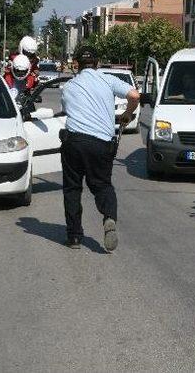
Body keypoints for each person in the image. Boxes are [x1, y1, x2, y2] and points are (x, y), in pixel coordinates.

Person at [60, 46, 140, 250]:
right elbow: (134, 95)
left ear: (76, 64)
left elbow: (67, 111)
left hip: (74, 142)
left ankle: (75, 237)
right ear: (97, 63)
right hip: (101, 143)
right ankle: (109, 218)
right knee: (102, 185)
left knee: (72, 188)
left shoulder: (69, 86)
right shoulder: (107, 79)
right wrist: (127, 115)